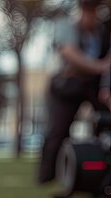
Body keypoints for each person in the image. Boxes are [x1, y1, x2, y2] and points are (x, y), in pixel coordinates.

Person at [38, 0, 111, 184]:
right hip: (67, 85)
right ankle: (46, 177)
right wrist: (99, 67)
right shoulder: (67, 26)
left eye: (95, 11)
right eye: (88, 11)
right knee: (58, 129)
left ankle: (99, 171)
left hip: (91, 85)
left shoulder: (103, 31)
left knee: (104, 121)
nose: (92, 16)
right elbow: (69, 53)